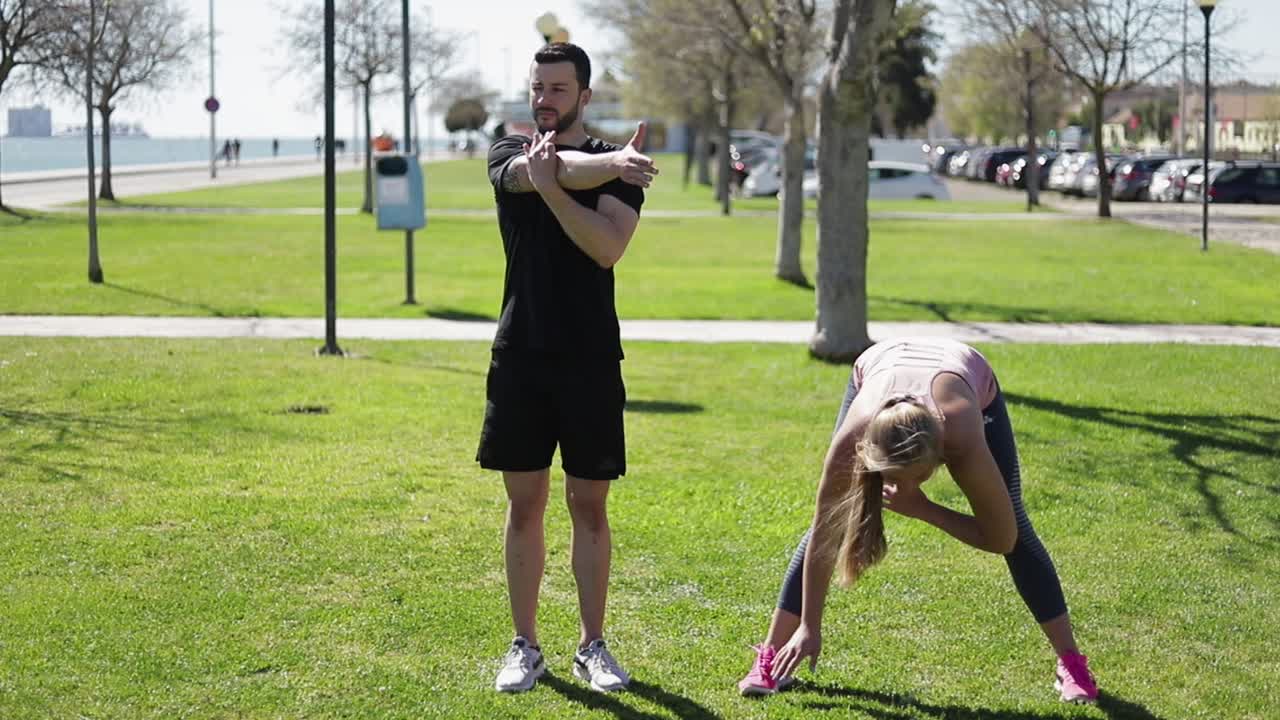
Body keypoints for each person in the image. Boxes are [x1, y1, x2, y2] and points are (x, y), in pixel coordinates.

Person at [737, 337, 1100, 704]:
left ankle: (1071, 662)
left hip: (963, 370)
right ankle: (771, 654)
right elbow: (825, 532)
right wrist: (809, 627)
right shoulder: (855, 436)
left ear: (940, 459)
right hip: (880, 364)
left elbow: (1002, 539)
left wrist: (925, 508)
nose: (901, 488)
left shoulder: (961, 435)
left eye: (914, 478)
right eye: (892, 477)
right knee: (835, 516)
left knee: (1015, 524)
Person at [477, 42, 658, 695]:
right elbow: (539, 172)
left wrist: (558, 186)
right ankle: (525, 645)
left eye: (557, 89)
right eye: (538, 87)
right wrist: (597, 168)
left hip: (589, 359)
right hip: (520, 355)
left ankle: (592, 646)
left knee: (589, 506)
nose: (544, 99)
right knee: (525, 505)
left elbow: (605, 247)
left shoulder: (616, 168)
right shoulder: (509, 153)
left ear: (584, 95)